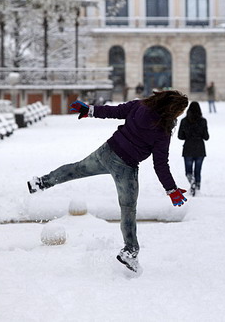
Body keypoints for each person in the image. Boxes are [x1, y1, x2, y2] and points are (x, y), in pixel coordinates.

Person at [26, 90, 189, 277]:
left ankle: (41, 182)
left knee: (76, 169)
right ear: (173, 110)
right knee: (128, 209)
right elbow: (160, 164)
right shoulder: (162, 131)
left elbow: (115, 111)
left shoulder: (139, 106)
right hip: (126, 167)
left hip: (107, 152)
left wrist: (89, 110)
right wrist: (171, 189)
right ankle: (130, 251)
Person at [178, 101, 209, 195]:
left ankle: (192, 182)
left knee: (188, 171)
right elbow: (206, 137)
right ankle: (197, 187)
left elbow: (180, 136)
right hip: (200, 148)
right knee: (198, 170)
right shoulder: (203, 121)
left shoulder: (184, 121)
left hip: (188, 148)